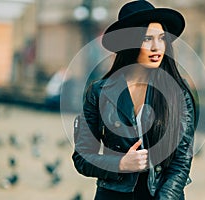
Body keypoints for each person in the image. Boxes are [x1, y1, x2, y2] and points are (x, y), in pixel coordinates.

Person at [72, 1, 196, 199]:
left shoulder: (177, 94)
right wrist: (120, 164)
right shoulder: (99, 92)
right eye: (148, 38)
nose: (157, 47)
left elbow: (180, 164)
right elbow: (82, 158)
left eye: (162, 38)